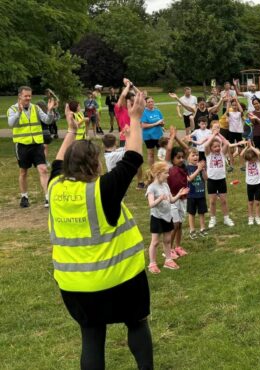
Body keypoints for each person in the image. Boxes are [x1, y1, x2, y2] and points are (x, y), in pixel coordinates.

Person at [47, 91, 153, 369]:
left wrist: (71, 131)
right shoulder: (103, 190)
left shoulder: (55, 187)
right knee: (136, 324)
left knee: (92, 336)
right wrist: (135, 118)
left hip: (74, 285)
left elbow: (56, 164)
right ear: (95, 163)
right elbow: (132, 158)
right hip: (120, 280)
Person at [7, 86, 56, 208]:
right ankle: (24, 196)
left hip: (37, 144)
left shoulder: (36, 108)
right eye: (26, 96)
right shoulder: (12, 109)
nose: (28, 98)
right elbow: (11, 123)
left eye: (30, 96)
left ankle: (47, 197)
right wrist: (19, 112)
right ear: (20, 96)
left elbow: (47, 121)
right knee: (23, 172)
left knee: (43, 169)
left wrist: (49, 111)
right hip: (22, 145)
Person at [146, 161, 189, 274]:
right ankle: (152, 263)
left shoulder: (165, 185)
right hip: (157, 217)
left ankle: (168, 260)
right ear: (158, 174)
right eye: (166, 173)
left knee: (167, 240)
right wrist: (159, 199)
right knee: (155, 242)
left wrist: (179, 195)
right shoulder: (152, 188)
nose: (168, 175)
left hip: (167, 216)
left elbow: (171, 200)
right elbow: (150, 204)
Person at [166, 127, 191, 255]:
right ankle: (168, 250)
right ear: (172, 159)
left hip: (183, 199)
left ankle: (177, 247)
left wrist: (177, 138)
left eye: (182, 157)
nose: (181, 159)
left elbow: (187, 149)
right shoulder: (168, 166)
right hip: (172, 199)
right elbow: (169, 149)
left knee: (180, 224)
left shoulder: (183, 165)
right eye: (178, 157)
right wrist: (172, 137)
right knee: (175, 224)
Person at [204, 130, 235, 228]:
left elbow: (226, 143)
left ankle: (226, 218)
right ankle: (213, 219)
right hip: (211, 180)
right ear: (211, 148)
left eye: (218, 146)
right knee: (212, 201)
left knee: (223, 201)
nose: (217, 148)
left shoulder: (222, 153)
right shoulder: (208, 154)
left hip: (221, 179)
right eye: (215, 147)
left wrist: (219, 134)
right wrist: (213, 135)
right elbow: (205, 146)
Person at [186, 148, 209, 238]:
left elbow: (206, 178)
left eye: (197, 155)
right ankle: (192, 230)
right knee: (191, 213)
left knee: (201, 212)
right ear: (188, 158)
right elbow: (189, 179)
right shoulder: (187, 167)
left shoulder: (200, 167)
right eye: (193, 155)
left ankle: (202, 228)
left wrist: (202, 170)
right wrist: (198, 170)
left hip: (201, 193)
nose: (196, 157)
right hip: (191, 194)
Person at [240, 142, 260, 225]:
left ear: (255, 157)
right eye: (249, 160)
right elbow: (241, 154)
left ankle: (257, 217)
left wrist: (252, 147)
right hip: (249, 184)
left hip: (258, 184)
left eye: (252, 159)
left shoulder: (258, 161)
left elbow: (259, 153)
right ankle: (250, 217)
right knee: (250, 202)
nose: (251, 161)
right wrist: (247, 147)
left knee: (257, 202)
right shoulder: (247, 162)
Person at [141, 96, 165, 169]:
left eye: (152, 101)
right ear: (145, 104)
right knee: (151, 154)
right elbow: (143, 125)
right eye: (149, 102)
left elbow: (162, 122)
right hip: (149, 137)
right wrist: (156, 123)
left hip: (159, 136)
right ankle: (152, 170)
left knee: (161, 153)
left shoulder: (158, 111)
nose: (151, 103)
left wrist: (162, 124)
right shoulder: (144, 112)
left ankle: (162, 169)